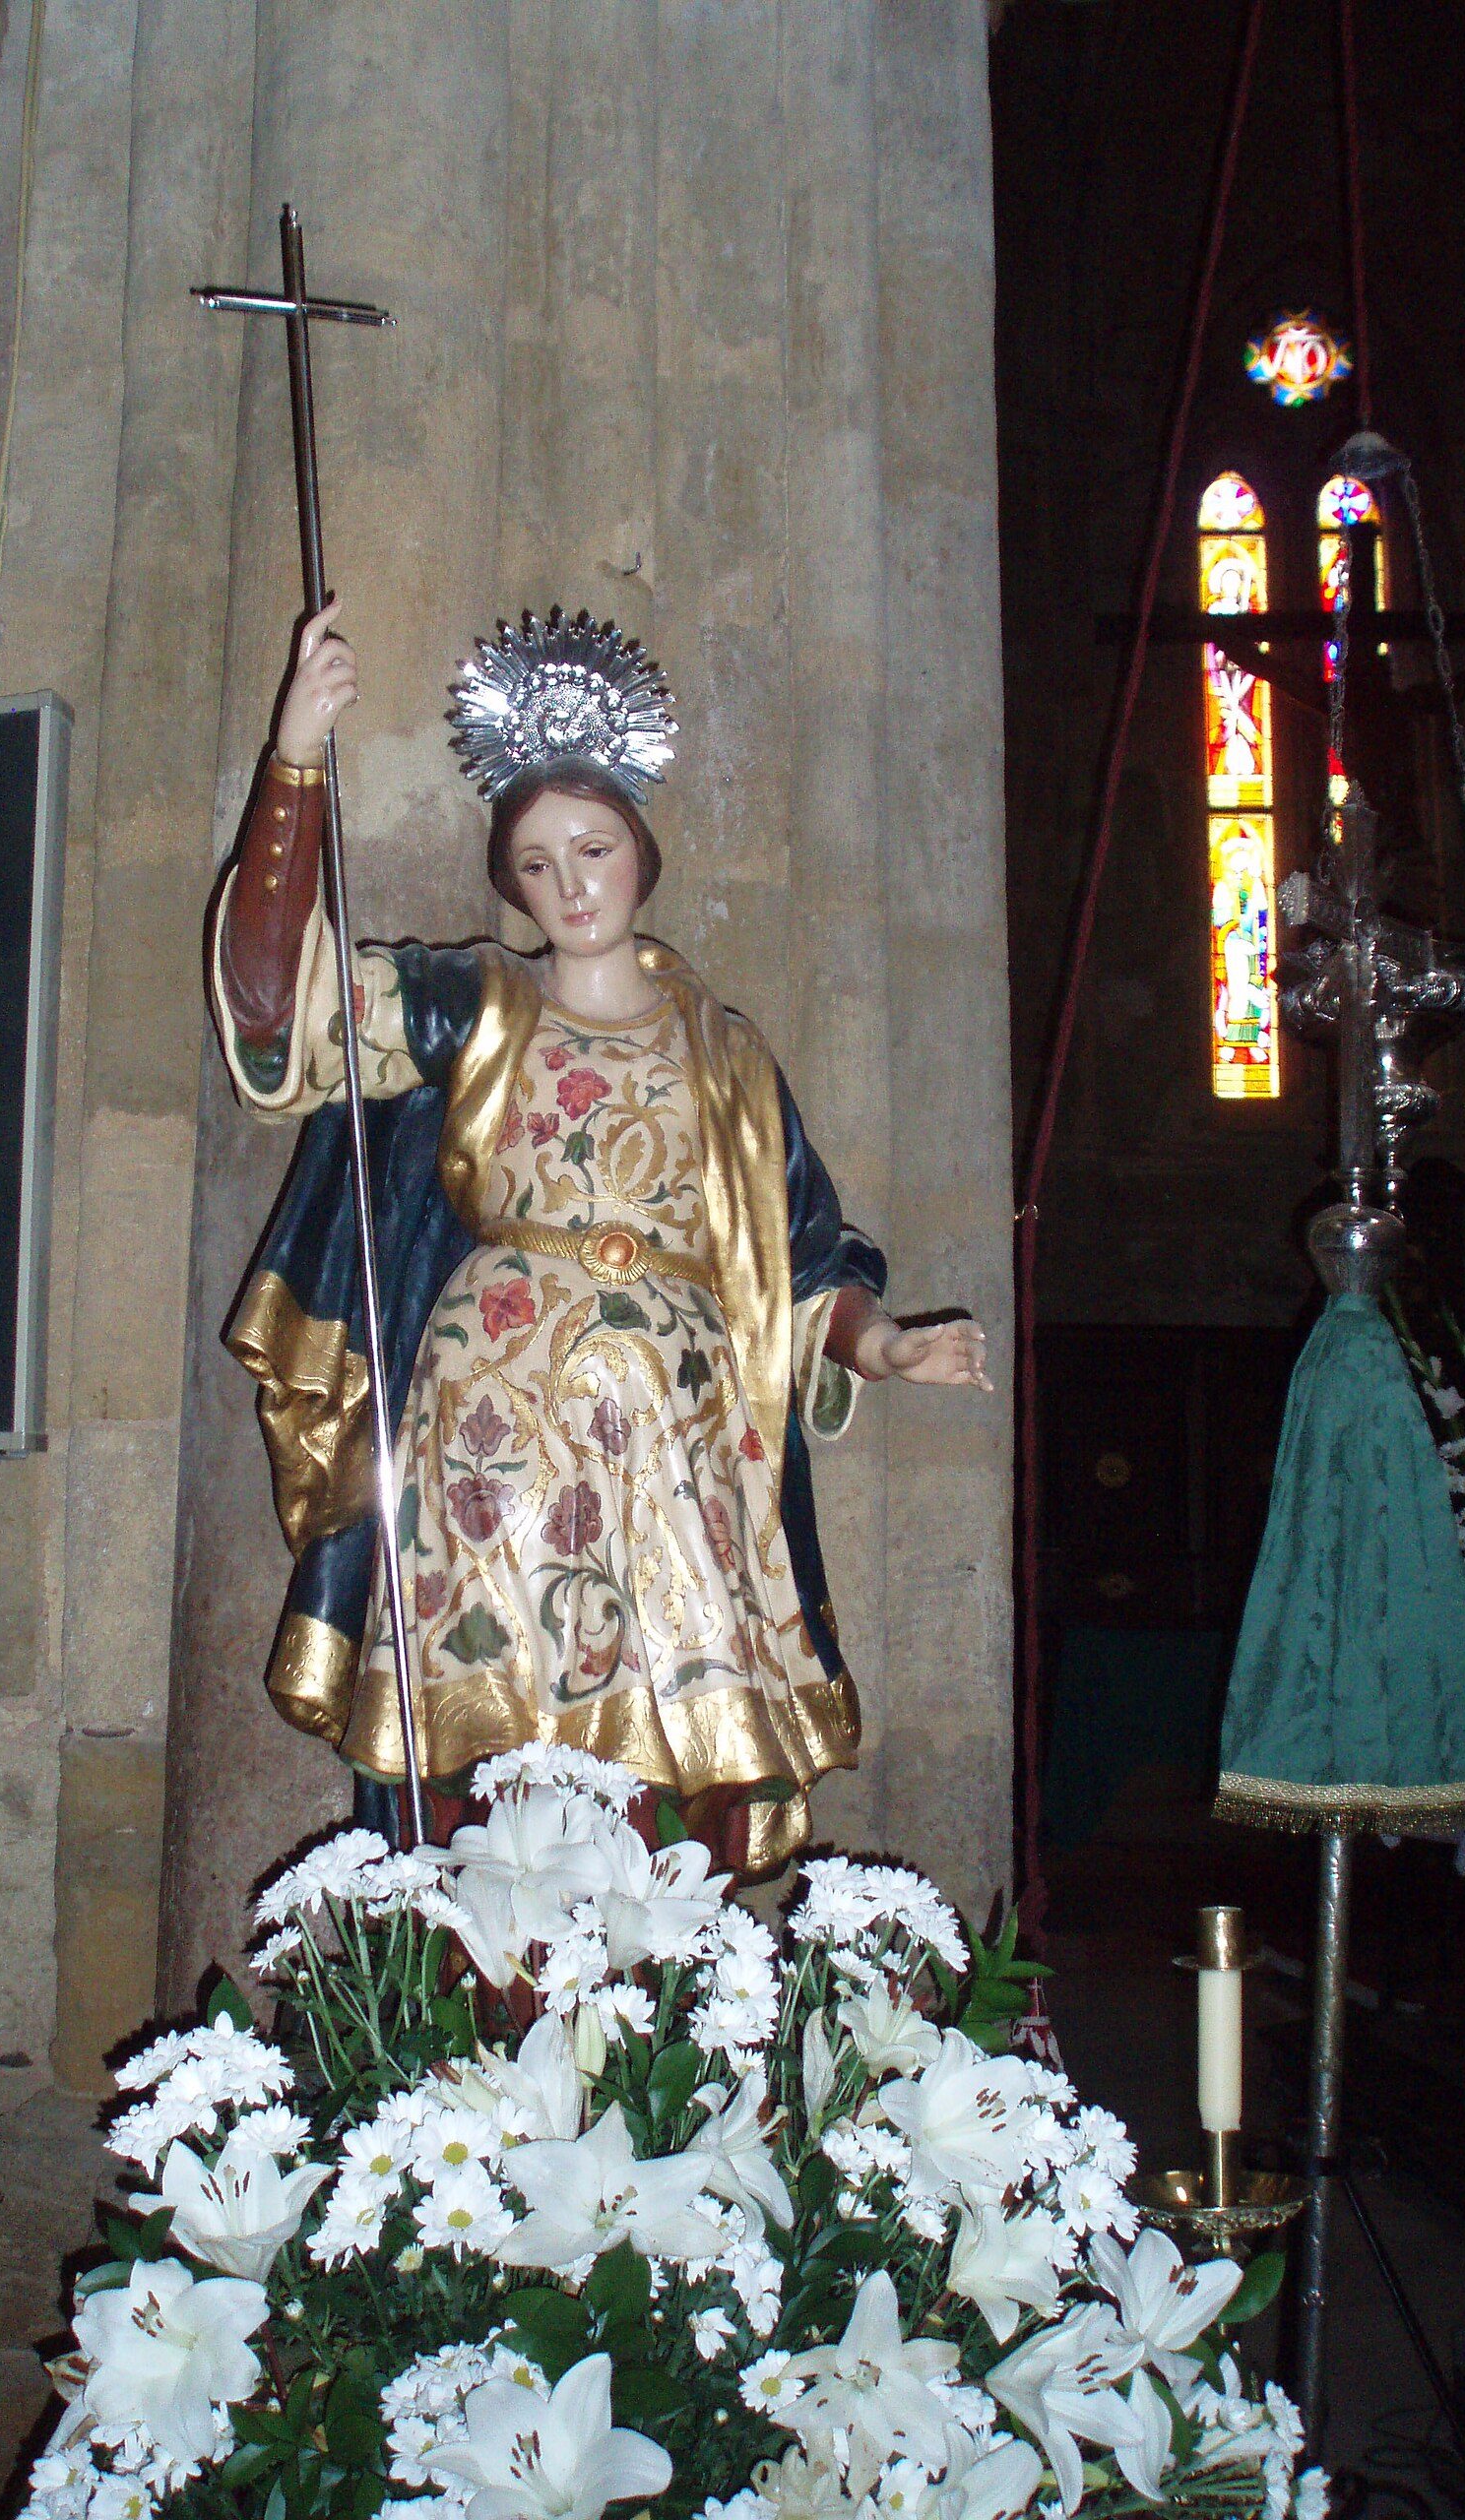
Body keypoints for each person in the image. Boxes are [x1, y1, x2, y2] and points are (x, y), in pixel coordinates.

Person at [211, 600, 990, 1871]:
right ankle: (461, 2033)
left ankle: (650, 2050)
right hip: (490, 1434)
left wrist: (880, 1343)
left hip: (680, 1446)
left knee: (668, 1772)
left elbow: (797, 1250)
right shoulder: (476, 1005)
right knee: (474, 1744)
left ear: (641, 850)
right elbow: (271, 1001)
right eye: (535, 863)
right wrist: (294, 762)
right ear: (508, 881)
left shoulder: (725, 1053)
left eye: (593, 848)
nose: (570, 884)